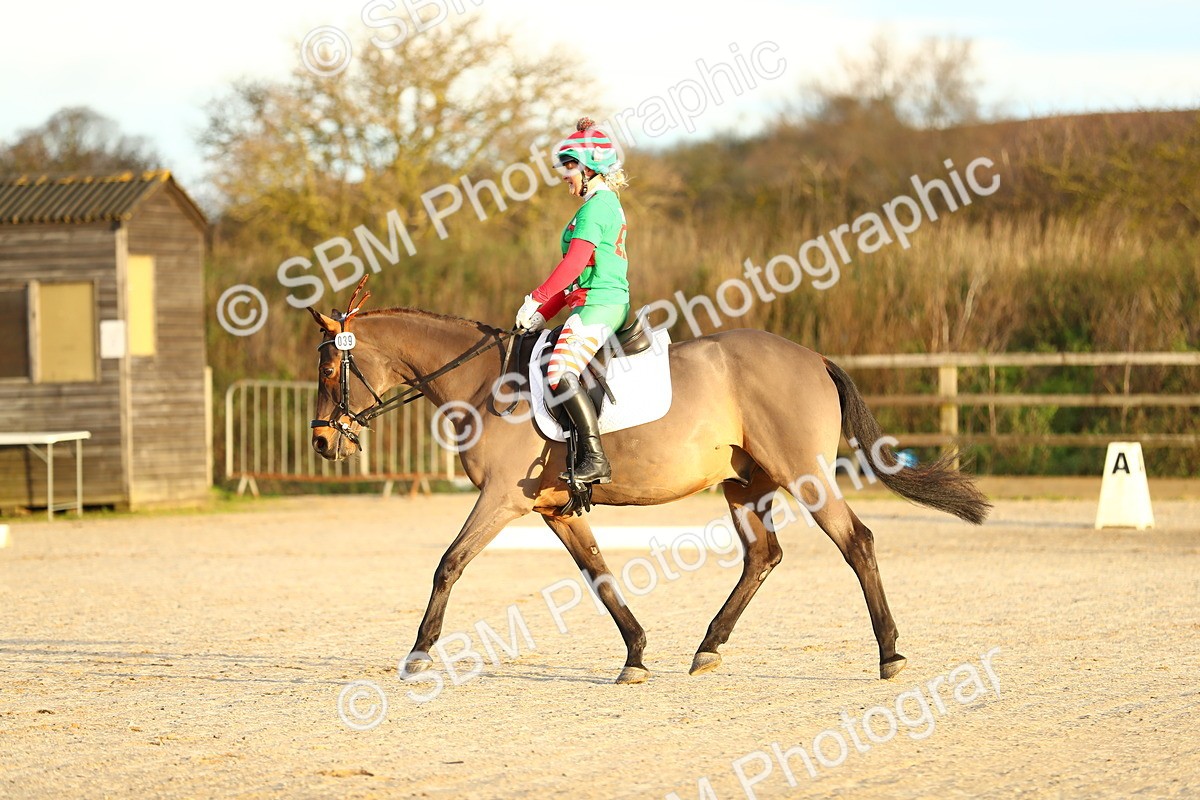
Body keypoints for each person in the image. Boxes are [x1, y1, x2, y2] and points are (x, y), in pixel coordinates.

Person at [514, 117, 630, 486]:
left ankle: (594, 458)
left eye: (569, 166)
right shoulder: (594, 205)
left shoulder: (597, 208)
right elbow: (577, 277)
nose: (564, 174)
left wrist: (537, 298)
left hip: (601, 303)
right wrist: (543, 313)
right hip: (588, 300)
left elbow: (575, 262)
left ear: (590, 167)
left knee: (559, 371)